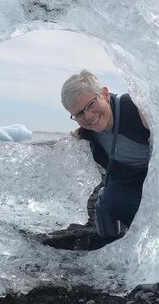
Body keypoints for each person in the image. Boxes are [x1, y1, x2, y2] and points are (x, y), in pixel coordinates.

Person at [61, 70, 150, 239]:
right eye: (79, 113)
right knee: (104, 203)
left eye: (91, 104)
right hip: (128, 180)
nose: (88, 116)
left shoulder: (136, 109)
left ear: (105, 94)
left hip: (158, 182)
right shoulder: (87, 134)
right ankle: (109, 246)